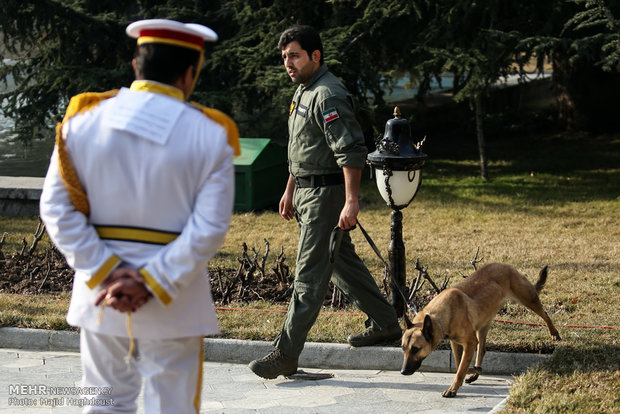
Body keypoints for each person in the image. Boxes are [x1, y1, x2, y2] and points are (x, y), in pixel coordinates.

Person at [39, 19, 240, 413]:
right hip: (174, 298)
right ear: (188, 74)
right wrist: (151, 280)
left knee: (103, 404)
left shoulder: (80, 122)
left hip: (101, 295)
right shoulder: (211, 133)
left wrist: (106, 272)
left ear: (136, 65)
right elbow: (210, 228)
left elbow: (55, 208)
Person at [248, 25, 401, 379]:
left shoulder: (327, 94)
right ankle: (386, 322)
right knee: (340, 262)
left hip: (325, 196)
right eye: (284, 57)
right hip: (305, 192)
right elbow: (303, 148)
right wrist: (289, 189)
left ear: (316, 56)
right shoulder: (304, 91)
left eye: (295, 55)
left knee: (309, 274)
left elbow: (350, 151)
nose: (288, 63)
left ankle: (285, 354)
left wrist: (351, 201)